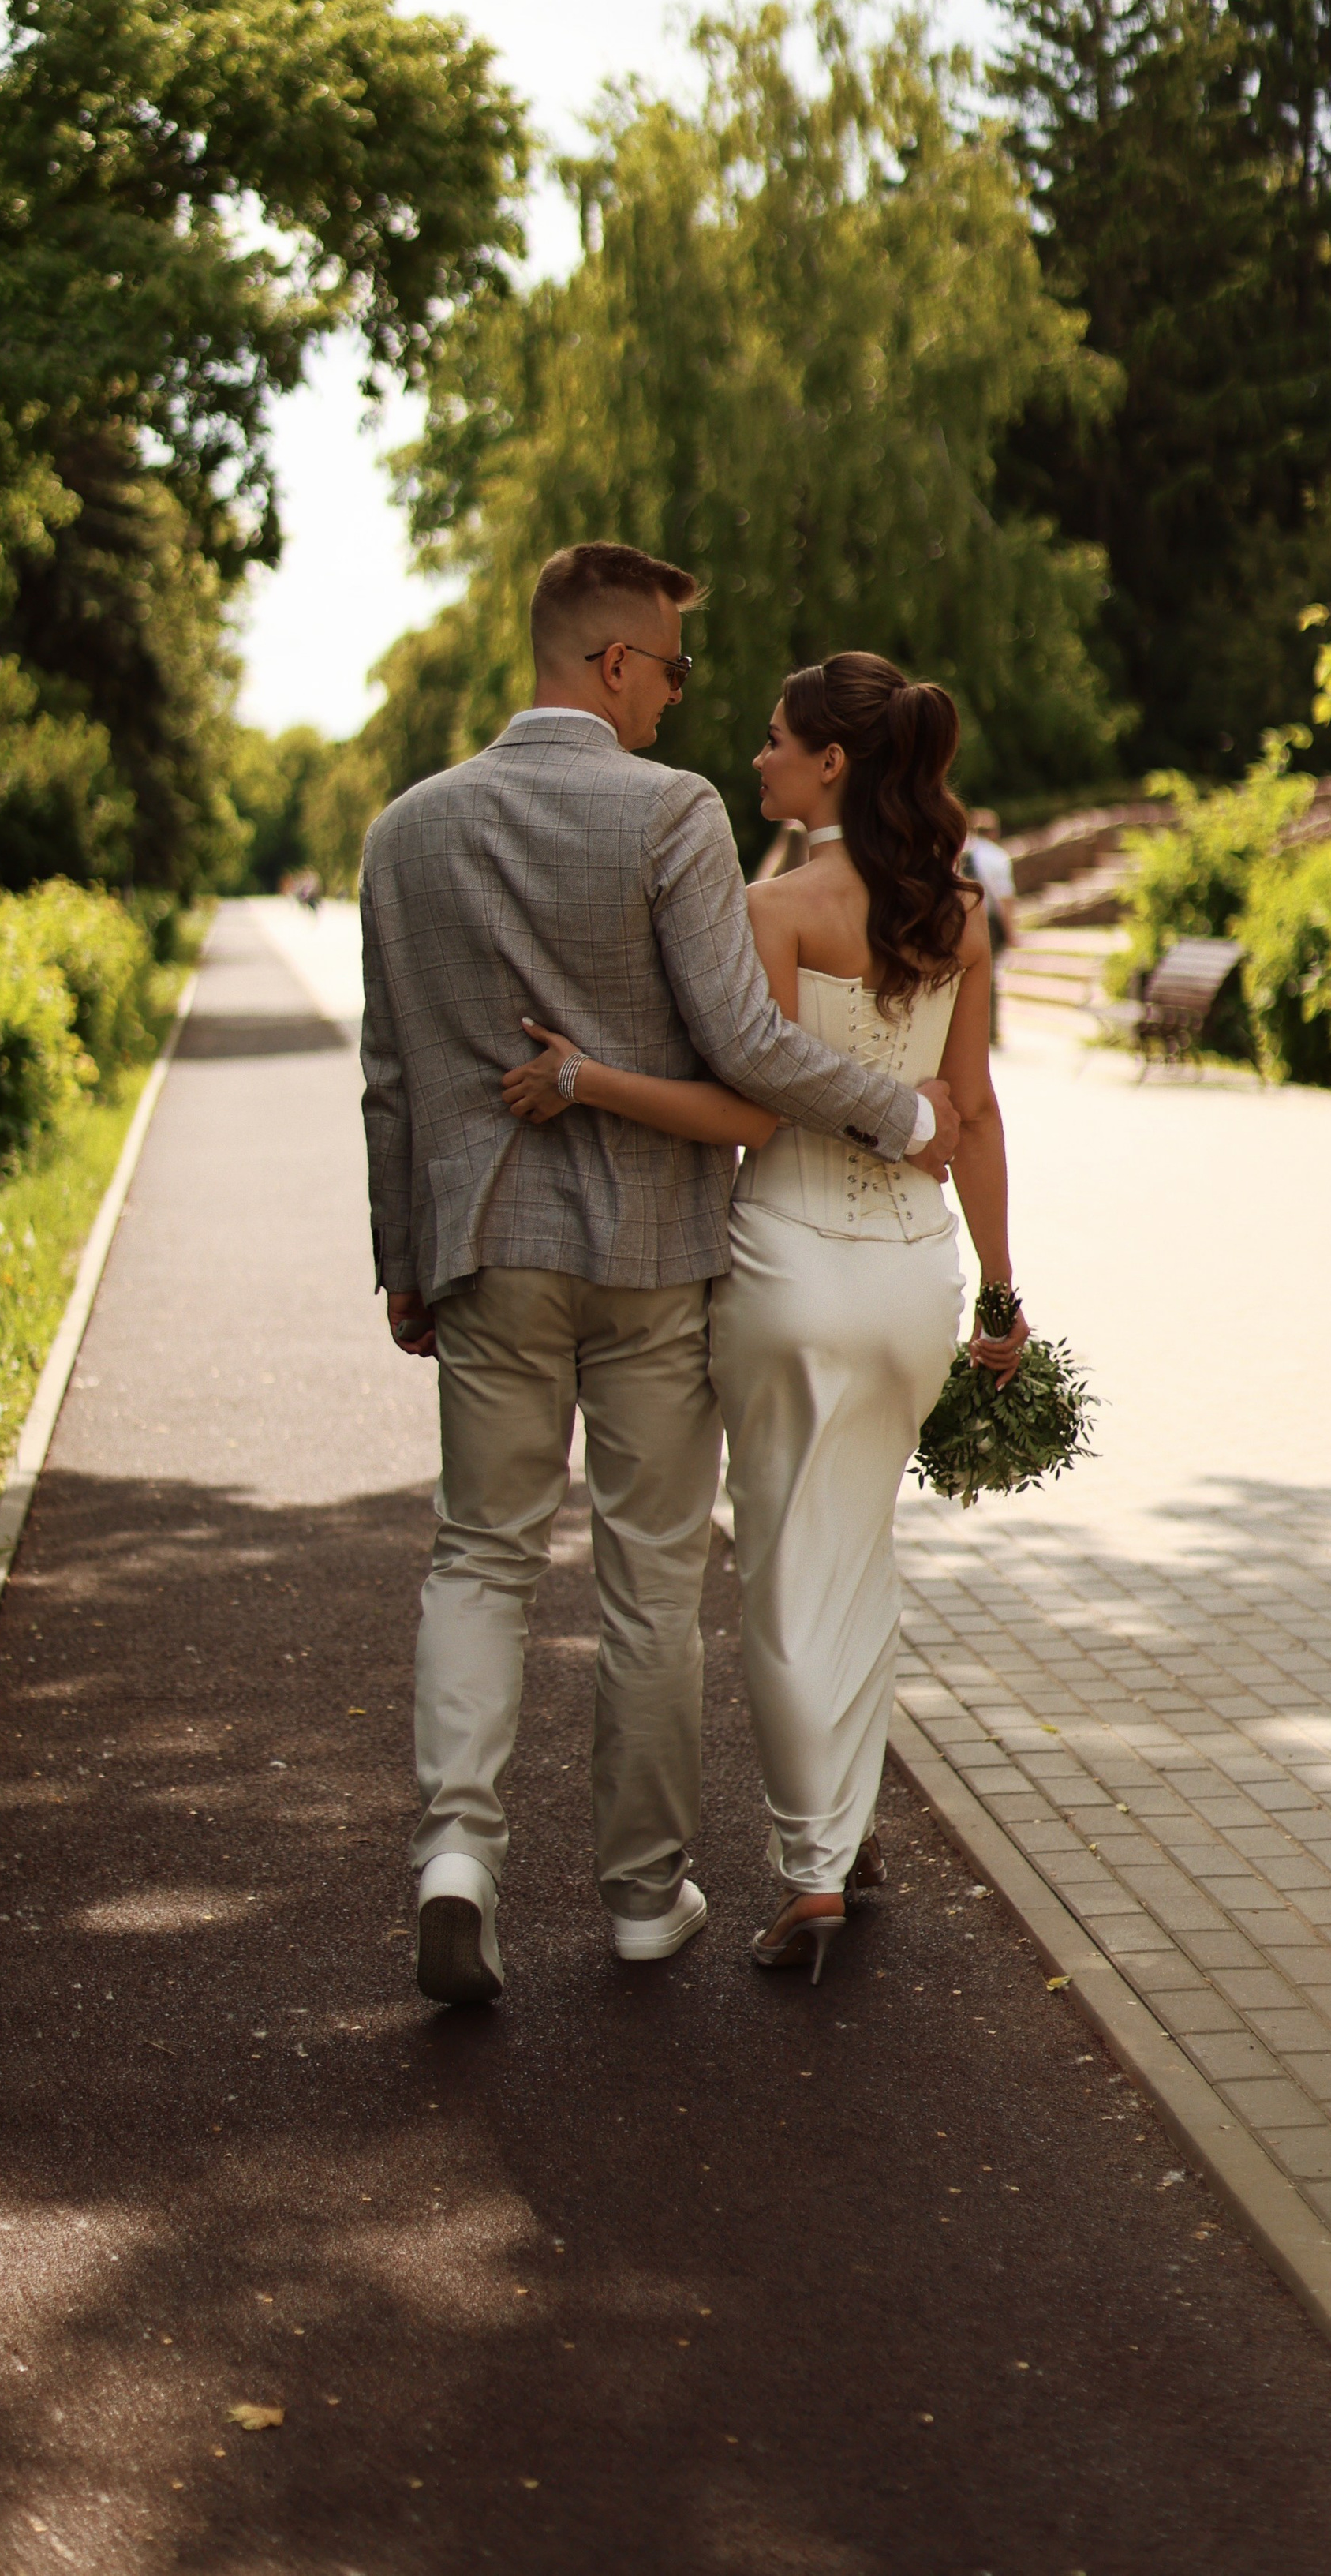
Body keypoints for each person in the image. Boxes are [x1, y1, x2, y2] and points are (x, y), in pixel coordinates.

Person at [360, 546, 959, 2007]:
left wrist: (404, 1261)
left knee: (481, 1554)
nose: (683, 702)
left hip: (486, 1247)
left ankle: (456, 1860)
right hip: (653, 1254)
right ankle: (642, 1900)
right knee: (649, 1577)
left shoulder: (406, 832)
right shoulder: (669, 813)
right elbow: (746, 1050)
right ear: (616, 662)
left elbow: (388, 1078)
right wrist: (899, 1108)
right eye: (677, 671)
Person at [506, 653, 1027, 1986]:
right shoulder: (957, 914)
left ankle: (809, 1875)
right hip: (917, 1279)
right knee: (860, 1558)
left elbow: (750, 1107)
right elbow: (973, 1114)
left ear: (832, 766)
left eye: (776, 739)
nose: (757, 758)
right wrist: (1004, 1288)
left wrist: (585, 1078)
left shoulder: (776, 906)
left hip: (791, 1264)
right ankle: (845, 1837)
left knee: (784, 1573)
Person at [963, 807, 1017, 1046]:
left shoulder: (962, 852)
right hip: (988, 922)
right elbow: (1005, 900)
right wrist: (1011, 932)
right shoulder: (997, 857)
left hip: (959, 920)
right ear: (994, 832)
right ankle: (989, 1032)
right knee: (988, 978)